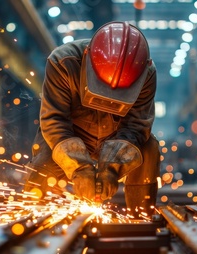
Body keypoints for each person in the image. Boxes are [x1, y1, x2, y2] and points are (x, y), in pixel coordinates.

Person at [23, 21, 160, 217]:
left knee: (149, 149)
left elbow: (136, 126)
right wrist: (80, 168)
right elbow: (55, 121)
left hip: (116, 139)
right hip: (72, 136)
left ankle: (141, 218)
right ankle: (33, 218)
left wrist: (112, 169)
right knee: (45, 159)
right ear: (87, 56)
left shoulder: (146, 73)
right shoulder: (63, 63)